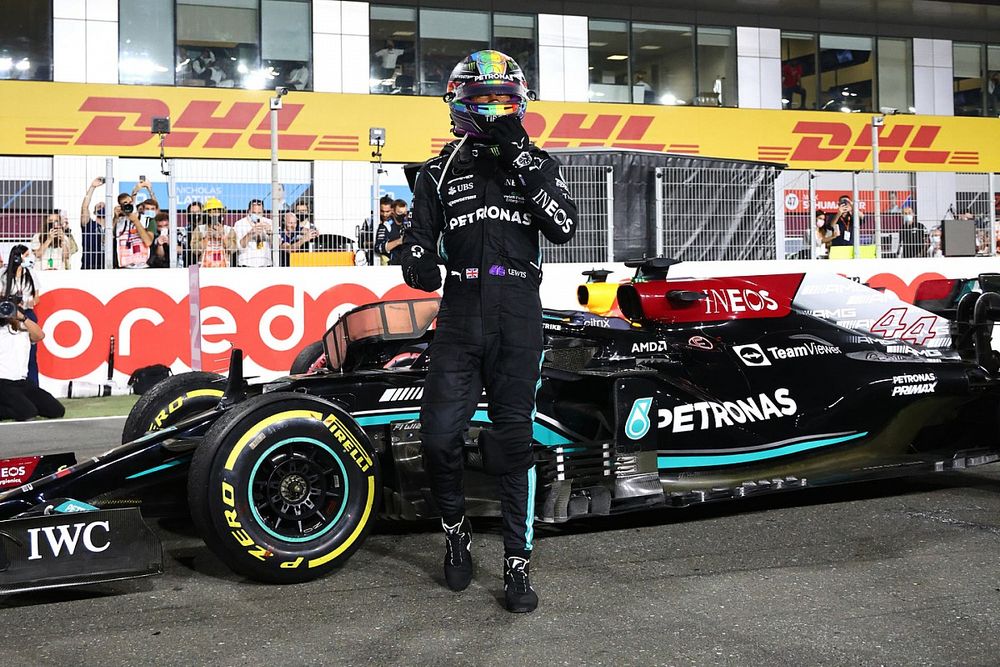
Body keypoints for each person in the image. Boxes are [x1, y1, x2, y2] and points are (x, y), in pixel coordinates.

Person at [401, 50, 577, 613]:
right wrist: (417, 262)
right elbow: (417, 245)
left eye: (504, 102)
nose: (495, 111)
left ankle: (517, 565)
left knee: (512, 445)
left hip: (520, 311)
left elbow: (565, 228)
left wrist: (520, 161)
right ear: (460, 104)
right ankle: (455, 533)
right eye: (483, 102)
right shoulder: (437, 171)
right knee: (437, 437)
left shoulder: (537, 161)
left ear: (519, 104)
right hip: (461, 311)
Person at [0, 301, 63, 422]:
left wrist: (22, 318)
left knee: (56, 410)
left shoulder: (24, 330)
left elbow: (40, 335)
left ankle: (22, 405)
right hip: (2, 383)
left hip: (22, 383)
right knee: (28, 413)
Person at [0, 245, 40, 385]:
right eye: (26, 255)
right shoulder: (3, 274)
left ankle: (33, 386)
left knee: (30, 355)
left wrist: (26, 303)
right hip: (7, 314)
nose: (28, 258)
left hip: (26, 313)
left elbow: (37, 298)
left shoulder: (30, 274)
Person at [113, 192, 155, 268]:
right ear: (121, 207)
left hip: (144, 266)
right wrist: (115, 218)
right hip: (123, 266)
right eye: (125, 203)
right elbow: (106, 241)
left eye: (130, 202)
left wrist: (136, 221)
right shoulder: (119, 222)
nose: (129, 205)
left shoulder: (148, 220)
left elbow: (148, 242)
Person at [234, 199, 274, 267]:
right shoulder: (240, 223)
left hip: (265, 265)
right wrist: (250, 233)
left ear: (263, 211)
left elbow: (276, 245)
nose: (257, 215)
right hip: (246, 265)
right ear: (249, 211)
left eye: (259, 213)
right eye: (254, 213)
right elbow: (239, 246)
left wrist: (270, 233)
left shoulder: (269, 222)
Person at [80, 176, 108, 269]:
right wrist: (92, 187)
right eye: (99, 207)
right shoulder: (89, 224)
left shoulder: (112, 227)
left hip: (108, 266)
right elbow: (84, 207)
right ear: (94, 212)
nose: (101, 207)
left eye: (104, 206)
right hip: (89, 265)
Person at [375, 199, 408, 265]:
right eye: (399, 212)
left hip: (406, 263)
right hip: (391, 266)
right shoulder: (386, 226)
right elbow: (378, 248)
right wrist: (399, 241)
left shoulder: (407, 225)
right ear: (393, 211)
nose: (403, 215)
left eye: (405, 212)